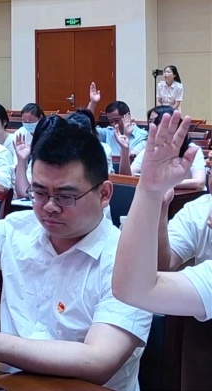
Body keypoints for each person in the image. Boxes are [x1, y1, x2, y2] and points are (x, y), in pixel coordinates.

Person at [0, 102, 151, 391]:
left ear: (104, 194)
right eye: (39, 192)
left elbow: (98, 361)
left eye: (65, 196)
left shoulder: (128, 260)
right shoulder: (19, 229)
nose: (49, 207)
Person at [113, 110, 208, 320]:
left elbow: (199, 181)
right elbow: (135, 288)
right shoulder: (198, 211)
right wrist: (152, 192)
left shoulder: (192, 151)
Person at [121, 106, 207, 190]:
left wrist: (161, 184)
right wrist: (125, 151)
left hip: (188, 197)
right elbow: (127, 178)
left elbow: (199, 182)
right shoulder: (149, 149)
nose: (152, 125)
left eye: (157, 121)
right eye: (150, 121)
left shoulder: (192, 149)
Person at [86, 83, 148, 160]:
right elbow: (85, 129)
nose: (114, 125)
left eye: (116, 120)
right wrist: (93, 103)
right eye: (111, 121)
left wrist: (126, 134)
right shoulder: (108, 132)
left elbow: (130, 159)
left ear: (127, 116)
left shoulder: (142, 136)